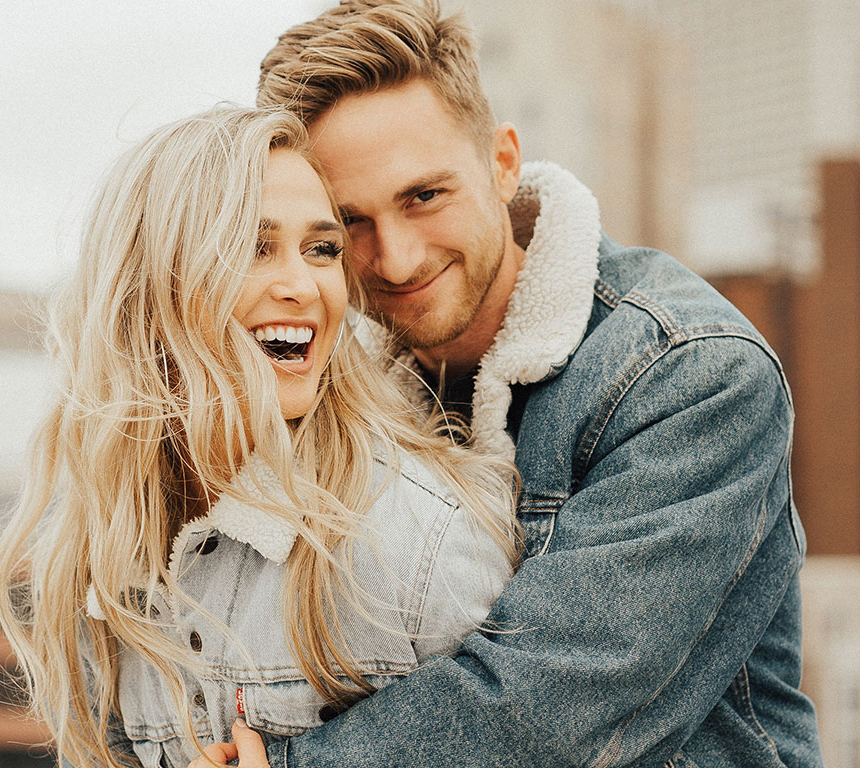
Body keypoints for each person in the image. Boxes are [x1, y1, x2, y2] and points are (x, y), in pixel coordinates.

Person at [233, 1, 825, 766]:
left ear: (503, 163)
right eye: (350, 223)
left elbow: (556, 708)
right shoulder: (331, 391)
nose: (398, 258)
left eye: (424, 196)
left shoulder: (693, 372)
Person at [0, 106, 522, 768]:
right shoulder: (104, 551)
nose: (303, 286)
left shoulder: (419, 542)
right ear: (147, 288)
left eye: (322, 250)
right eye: (252, 247)